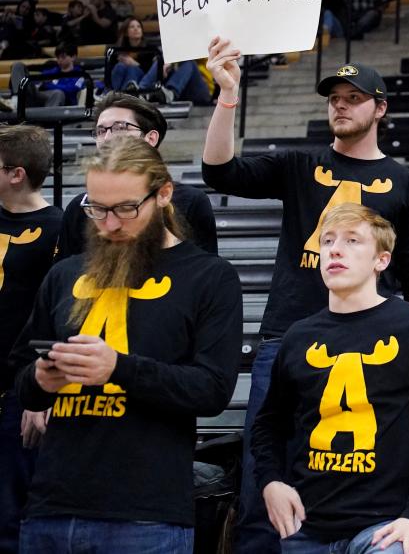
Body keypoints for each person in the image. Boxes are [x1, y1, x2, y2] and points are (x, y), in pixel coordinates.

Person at [202, 48, 409, 554]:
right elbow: (219, 172)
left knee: (362, 465)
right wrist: (227, 97)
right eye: (335, 98)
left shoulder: (408, 183)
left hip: (374, 345)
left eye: (354, 99)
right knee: (264, 482)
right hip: (289, 334)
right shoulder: (299, 163)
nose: (341, 106)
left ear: (381, 108)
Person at [10, 137, 242, 554]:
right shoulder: (65, 274)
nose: (109, 224)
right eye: (96, 209)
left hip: (145, 515)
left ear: (164, 194)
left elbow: (212, 389)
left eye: (125, 209)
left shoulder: (210, 277)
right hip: (50, 506)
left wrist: (118, 368)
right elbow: (22, 380)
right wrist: (42, 378)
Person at [252, 204, 409, 554]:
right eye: (328, 241)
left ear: (381, 260)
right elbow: (268, 426)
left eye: (352, 240)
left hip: (386, 527)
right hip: (307, 528)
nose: (335, 249)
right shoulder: (298, 336)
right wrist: (271, 482)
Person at [56, 92, 218, 260]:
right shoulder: (80, 208)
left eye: (120, 128)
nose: (107, 138)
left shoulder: (192, 201)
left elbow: (204, 274)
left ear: (151, 138)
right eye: (101, 131)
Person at [0, 126, 63, 554]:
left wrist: (39, 394)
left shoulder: (59, 226)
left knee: (10, 506)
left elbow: (59, 313)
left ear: (16, 174)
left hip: (18, 385)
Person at [7, 42, 86, 108]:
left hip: (59, 102)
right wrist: (38, 84)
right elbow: (37, 83)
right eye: (58, 57)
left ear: (73, 57)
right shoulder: (51, 71)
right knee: (18, 65)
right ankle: (16, 98)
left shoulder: (80, 75)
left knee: (58, 93)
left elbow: (70, 90)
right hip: (39, 97)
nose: (59, 60)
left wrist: (46, 84)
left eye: (63, 57)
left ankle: (46, 121)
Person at [110, 17, 152, 91]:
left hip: (142, 82)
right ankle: (111, 94)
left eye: (139, 27)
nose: (136, 29)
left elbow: (151, 73)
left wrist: (135, 64)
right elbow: (111, 72)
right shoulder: (117, 50)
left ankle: (124, 96)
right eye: (132, 27)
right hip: (120, 83)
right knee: (120, 66)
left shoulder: (149, 50)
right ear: (126, 32)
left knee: (132, 68)